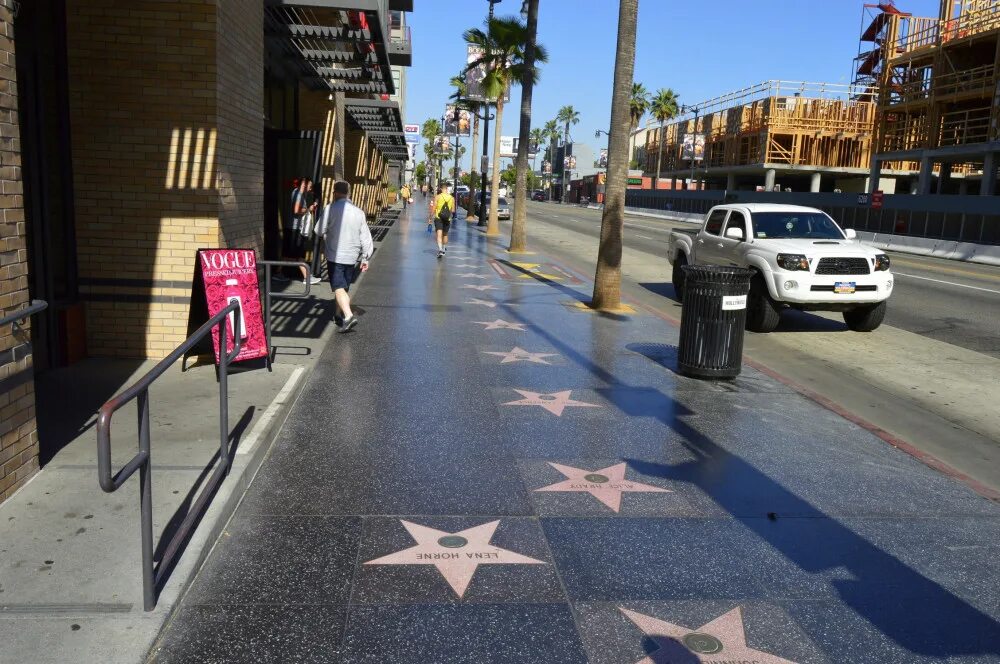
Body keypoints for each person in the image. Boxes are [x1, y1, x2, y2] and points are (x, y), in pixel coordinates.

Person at [319, 181, 373, 333]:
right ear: (349, 193)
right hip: (352, 257)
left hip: (335, 255)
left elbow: (318, 230)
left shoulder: (330, 209)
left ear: (335, 192)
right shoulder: (359, 212)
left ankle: (348, 315)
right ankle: (338, 315)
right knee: (343, 288)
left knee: (337, 287)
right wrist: (365, 258)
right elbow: (366, 237)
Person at [280, 179, 321, 285]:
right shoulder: (298, 194)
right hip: (295, 228)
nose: (311, 188)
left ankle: (279, 273)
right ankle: (307, 277)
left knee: (289, 253)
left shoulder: (297, 193)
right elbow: (296, 210)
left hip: (292, 228)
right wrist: (309, 209)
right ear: (304, 184)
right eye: (310, 186)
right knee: (298, 254)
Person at [432, 183, 456, 259]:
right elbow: (453, 210)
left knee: (439, 234)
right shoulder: (452, 198)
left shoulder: (438, 197)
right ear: (446, 189)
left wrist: (430, 216)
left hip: (438, 217)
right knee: (445, 235)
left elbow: (434, 208)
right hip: (447, 218)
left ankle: (440, 250)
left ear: (441, 189)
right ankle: (444, 249)